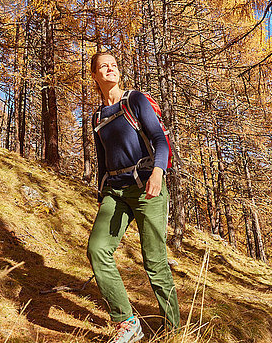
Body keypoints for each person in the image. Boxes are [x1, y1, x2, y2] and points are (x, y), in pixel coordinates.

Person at [87, 52, 181, 343]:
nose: (110, 69)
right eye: (104, 66)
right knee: (97, 249)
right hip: (115, 191)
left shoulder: (134, 100)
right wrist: (103, 194)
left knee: (154, 262)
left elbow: (159, 139)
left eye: (114, 65)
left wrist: (158, 172)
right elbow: (103, 161)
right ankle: (127, 322)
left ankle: (175, 331)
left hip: (146, 186)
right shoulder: (96, 117)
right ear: (94, 76)